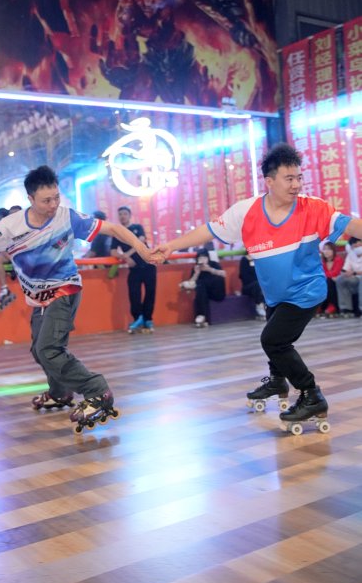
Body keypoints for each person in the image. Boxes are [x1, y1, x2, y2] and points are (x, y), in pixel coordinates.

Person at [0, 166, 154, 429]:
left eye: (56, 198)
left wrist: (141, 248)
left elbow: (113, 229)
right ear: (30, 199)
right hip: (38, 299)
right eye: (46, 200)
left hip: (65, 289)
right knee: (40, 351)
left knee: (48, 349)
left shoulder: (67, 217)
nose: (53, 205)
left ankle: (98, 391)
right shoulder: (10, 226)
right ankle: (60, 392)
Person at [151, 143, 362, 426]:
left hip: (306, 292)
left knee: (273, 340)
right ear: (269, 181)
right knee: (276, 340)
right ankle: (277, 381)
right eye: (289, 178)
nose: (296, 184)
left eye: (299, 177)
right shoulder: (247, 211)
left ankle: (312, 394)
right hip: (275, 294)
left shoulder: (313, 208)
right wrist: (171, 246)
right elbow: (209, 230)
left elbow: (350, 225)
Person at [110, 206, 157, 333]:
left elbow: (140, 241)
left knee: (150, 293)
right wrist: (124, 257)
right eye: (120, 214)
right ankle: (138, 318)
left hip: (149, 264)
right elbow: (113, 251)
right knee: (134, 294)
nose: (122, 216)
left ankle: (148, 319)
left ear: (130, 215)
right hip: (134, 269)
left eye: (125, 214)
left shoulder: (137, 227)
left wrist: (127, 255)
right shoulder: (117, 233)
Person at [179, 247, 226, 326]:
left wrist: (210, 269)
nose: (202, 260)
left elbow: (224, 274)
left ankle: (190, 286)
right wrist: (196, 273)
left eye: (204, 258)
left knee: (201, 284)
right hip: (205, 293)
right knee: (200, 287)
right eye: (200, 258)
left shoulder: (214, 264)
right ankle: (202, 317)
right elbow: (191, 281)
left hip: (217, 292)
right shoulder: (196, 268)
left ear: (208, 258)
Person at [0, 205, 22, 310]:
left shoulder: (28, 227)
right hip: (11, 256)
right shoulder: (4, 228)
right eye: (11, 215)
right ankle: (5, 289)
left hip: (23, 256)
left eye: (16, 215)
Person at [335, 237, 362, 318]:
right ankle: (346, 308)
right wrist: (345, 273)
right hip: (354, 279)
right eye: (355, 246)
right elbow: (345, 269)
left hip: (359, 277)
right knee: (340, 279)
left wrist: (354, 272)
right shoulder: (351, 255)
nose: (358, 248)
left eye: (359, 245)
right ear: (352, 247)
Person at [318, 241, 343, 317]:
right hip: (327, 281)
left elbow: (336, 272)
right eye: (324, 249)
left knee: (329, 282)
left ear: (333, 250)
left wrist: (326, 275)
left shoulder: (338, 259)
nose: (326, 251)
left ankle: (332, 305)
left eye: (329, 249)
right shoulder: (322, 262)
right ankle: (321, 306)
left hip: (336, 281)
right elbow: (321, 273)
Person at [239, 251, 266, 318]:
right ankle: (259, 305)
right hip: (248, 286)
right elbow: (244, 276)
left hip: (259, 285)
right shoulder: (244, 260)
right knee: (257, 285)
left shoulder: (258, 259)